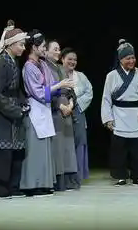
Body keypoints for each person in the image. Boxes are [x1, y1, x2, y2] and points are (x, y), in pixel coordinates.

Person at [21, 31, 75, 196]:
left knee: (45, 148)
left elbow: (51, 84)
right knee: (35, 149)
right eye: (43, 46)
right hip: (34, 109)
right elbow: (38, 92)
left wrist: (61, 87)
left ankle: (44, 183)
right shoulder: (29, 67)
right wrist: (58, 86)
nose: (44, 49)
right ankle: (32, 185)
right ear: (34, 47)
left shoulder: (43, 65)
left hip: (44, 108)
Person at [0, 20, 30, 199]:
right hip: (1, 113)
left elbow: (17, 89)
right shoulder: (0, 63)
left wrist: (23, 103)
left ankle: (12, 186)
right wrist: (15, 110)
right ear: (10, 44)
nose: (23, 48)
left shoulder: (13, 61)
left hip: (12, 108)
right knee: (2, 152)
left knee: (15, 151)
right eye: (21, 44)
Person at [101, 39, 138, 186]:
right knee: (119, 148)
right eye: (128, 58)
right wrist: (108, 118)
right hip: (118, 114)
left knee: (137, 148)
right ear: (121, 59)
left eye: (133, 58)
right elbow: (106, 98)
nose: (131, 61)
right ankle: (120, 176)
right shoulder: (112, 75)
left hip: (135, 115)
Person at [45, 39, 78, 191]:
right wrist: (60, 106)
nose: (58, 52)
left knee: (68, 147)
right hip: (55, 110)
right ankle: (58, 181)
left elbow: (71, 91)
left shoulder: (61, 68)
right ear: (46, 51)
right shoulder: (44, 68)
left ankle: (69, 180)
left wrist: (70, 105)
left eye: (59, 49)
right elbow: (44, 91)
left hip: (67, 110)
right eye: (55, 49)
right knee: (57, 146)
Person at [61, 47, 94, 184]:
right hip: (62, 111)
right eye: (69, 59)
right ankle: (64, 175)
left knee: (79, 142)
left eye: (75, 60)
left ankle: (78, 175)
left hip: (78, 112)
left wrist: (75, 104)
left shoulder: (81, 76)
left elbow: (89, 92)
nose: (72, 62)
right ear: (62, 59)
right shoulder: (57, 73)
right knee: (64, 142)